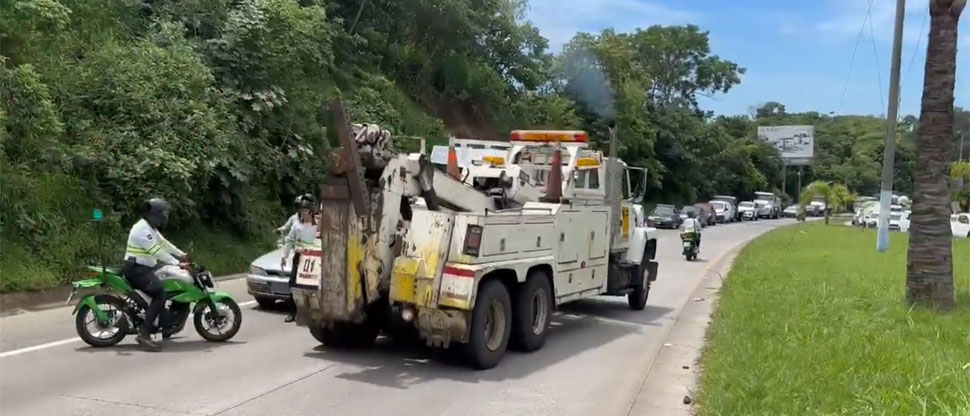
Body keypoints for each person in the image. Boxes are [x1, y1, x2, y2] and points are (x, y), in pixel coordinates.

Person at [122, 198, 189, 350]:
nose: (165, 216)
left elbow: (164, 243)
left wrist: (181, 255)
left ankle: (162, 322)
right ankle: (144, 334)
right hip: (136, 270)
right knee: (160, 293)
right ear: (156, 214)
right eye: (163, 213)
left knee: (164, 285)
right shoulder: (142, 229)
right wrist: (177, 263)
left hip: (143, 269)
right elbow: (156, 251)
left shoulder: (150, 228)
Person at [280, 198, 320, 323]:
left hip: (315, 260)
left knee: (313, 287)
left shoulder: (319, 225)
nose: (304, 213)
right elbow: (290, 240)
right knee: (293, 285)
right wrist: (284, 256)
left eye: (307, 210)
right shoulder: (297, 226)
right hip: (299, 259)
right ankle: (293, 313)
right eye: (302, 210)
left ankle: (315, 312)